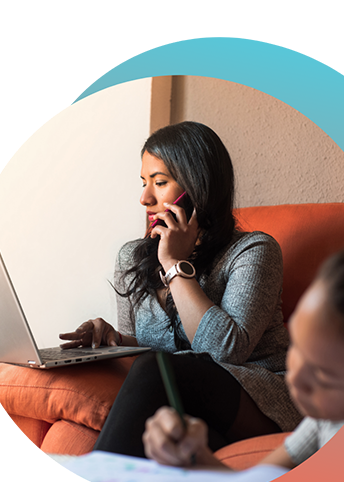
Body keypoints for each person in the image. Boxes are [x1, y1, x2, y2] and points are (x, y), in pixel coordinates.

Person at [59, 121, 303, 457]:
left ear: (196, 187)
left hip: (258, 403)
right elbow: (141, 352)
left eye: (159, 183)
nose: (144, 198)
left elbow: (224, 351)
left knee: (158, 369)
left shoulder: (254, 251)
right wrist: (113, 339)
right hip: (183, 409)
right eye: (144, 183)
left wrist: (175, 265)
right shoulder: (132, 256)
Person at [143, 236, 344, 469]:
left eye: (324, 373)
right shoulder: (324, 422)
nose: (295, 377)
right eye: (297, 345)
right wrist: (196, 458)